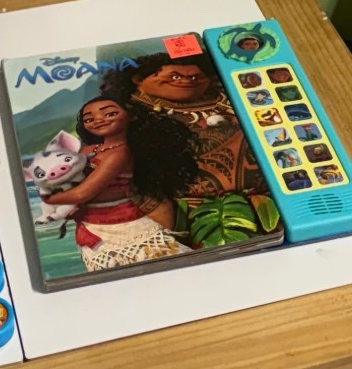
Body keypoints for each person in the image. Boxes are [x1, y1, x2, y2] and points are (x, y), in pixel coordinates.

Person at [41, 96, 195, 272]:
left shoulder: (119, 153)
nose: (98, 120)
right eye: (89, 119)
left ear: (130, 116)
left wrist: (50, 198)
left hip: (125, 226)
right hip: (93, 226)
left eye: (110, 113)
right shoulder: (88, 150)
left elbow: (83, 193)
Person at [101, 50, 266, 196]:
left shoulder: (233, 98)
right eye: (175, 76)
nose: (187, 81)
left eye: (195, 77)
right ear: (138, 78)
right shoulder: (125, 116)